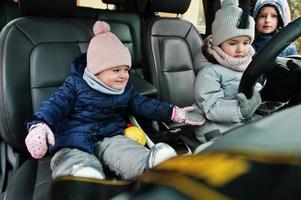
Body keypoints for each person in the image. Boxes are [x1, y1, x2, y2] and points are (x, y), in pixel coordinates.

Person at [24, 21, 205, 180]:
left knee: (124, 149)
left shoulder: (125, 90)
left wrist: (174, 113)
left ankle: (151, 167)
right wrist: (39, 125)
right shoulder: (75, 85)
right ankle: (80, 176)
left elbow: (145, 105)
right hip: (73, 137)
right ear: (96, 70)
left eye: (126, 69)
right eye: (116, 70)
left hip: (110, 136)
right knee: (70, 157)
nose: (124, 76)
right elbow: (54, 105)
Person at [193, 0, 262, 143]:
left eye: (246, 42)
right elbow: (211, 108)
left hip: (239, 123)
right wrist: (240, 111)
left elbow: (252, 93)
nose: (240, 49)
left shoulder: (247, 66)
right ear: (219, 42)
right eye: (232, 43)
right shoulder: (209, 73)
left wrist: (264, 98)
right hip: (214, 128)